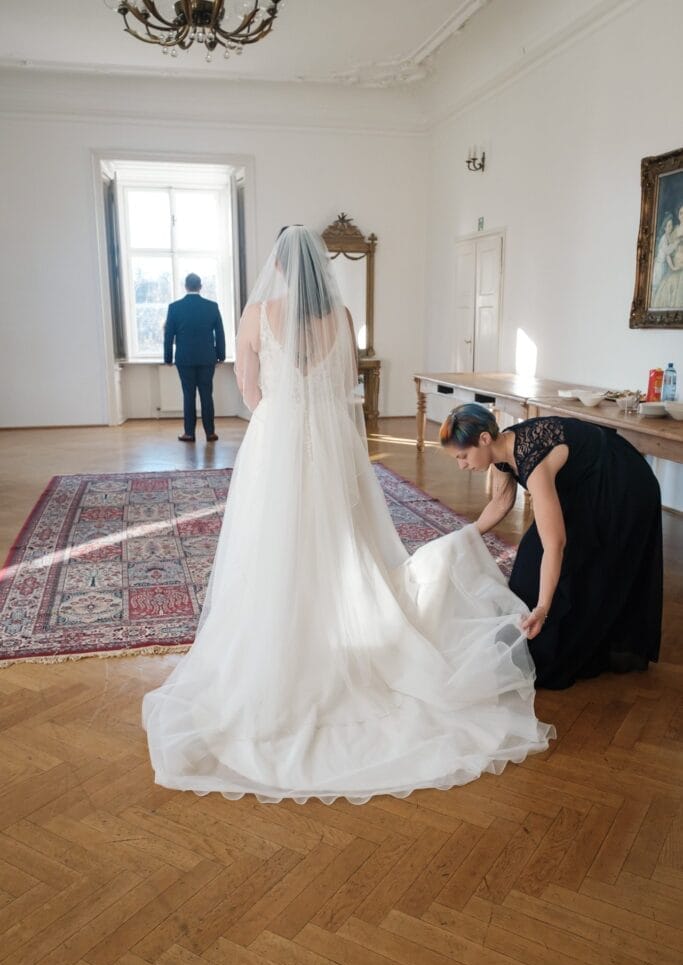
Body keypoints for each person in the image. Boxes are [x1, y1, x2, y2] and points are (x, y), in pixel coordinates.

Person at [143, 228, 553, 804]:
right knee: (340, 542)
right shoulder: (340, 315)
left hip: (278, 439)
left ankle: (282, 644)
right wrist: (314, 419)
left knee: (273, 545)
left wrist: (281, 419)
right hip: (333, 441)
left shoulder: (259, 312)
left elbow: (247, 387)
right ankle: (349, 634)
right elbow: (345, 385)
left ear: (280, 269)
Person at [440, 404, 663, 690]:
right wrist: (464, 537)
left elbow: (555, 545)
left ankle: (566, 650)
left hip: (622, 483)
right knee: (527, 570)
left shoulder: (533, 462)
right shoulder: (501, 450)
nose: (462, 465)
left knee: (588, 565)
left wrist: (543, 608)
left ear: (484, 439)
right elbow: (501, 503)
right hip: (584, 481)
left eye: (463, 456)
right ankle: (533, 646)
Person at [164, 272, 226, 442]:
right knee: (207, 394)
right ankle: (210, 433)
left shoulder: (174, 307)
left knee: (188, 395)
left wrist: (168, 358)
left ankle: (189, 433)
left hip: (184, 359)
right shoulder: (212, 306)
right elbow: (220, 333)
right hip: (207, 358)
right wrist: (221, 355)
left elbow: (168, 335)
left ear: (186, 286)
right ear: (200, 286)